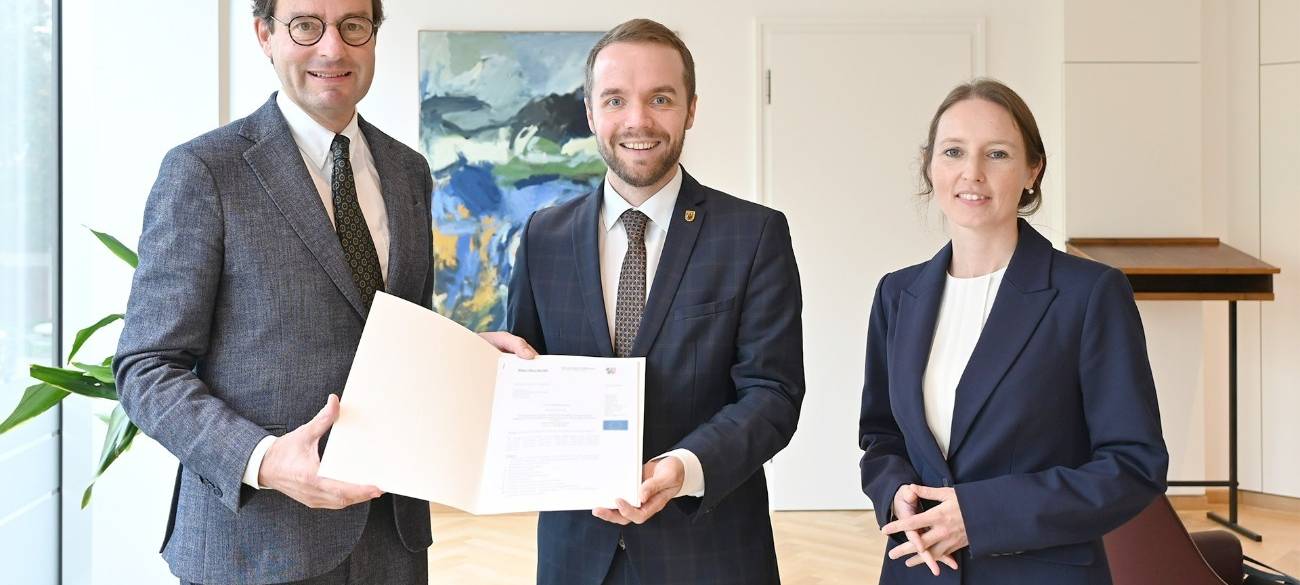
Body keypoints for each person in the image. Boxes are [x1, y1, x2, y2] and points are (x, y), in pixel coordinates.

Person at [113, 0, 530, 582]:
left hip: (393, 540)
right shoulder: (205, 170)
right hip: (256, 546)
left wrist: (470, 355)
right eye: (306, 25)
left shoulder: (409, 171)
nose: (332, 49)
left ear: (373, 36)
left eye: (353, 26)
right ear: (265, 34)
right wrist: (264, 460)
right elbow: (147, 367)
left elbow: (393, 335)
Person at [506, 18, 805, 585]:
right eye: (615, 99)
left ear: (691, 108)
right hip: (576, 553)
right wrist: (487, 370)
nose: (638, 120)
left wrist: (684, 468)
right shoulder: (543, 237)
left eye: (660, 99)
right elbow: (527, 374)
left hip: (709, 550)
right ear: (590, 112)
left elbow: (774, 393)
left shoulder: (754, 235)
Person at [858, 78, 1169, 584]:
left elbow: (1133, 466)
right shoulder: (897, 294)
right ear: (930, 166)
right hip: (919, 570)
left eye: (997, 154)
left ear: (1032, 170)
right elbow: (881, 435)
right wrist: (895, 492)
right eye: (953, 151)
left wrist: (979, 517)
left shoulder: (1090, 294)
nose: (972, 173)